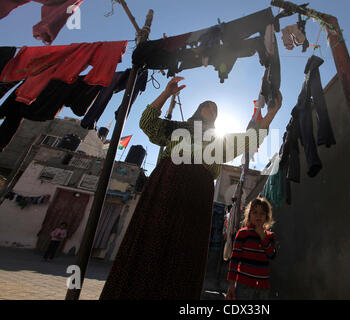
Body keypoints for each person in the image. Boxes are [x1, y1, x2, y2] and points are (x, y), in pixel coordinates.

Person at [100, 77, 282, 299]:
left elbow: (250, 139)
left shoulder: (220, 142)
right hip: (168, 183)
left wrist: (271, 114)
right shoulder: (178, 128)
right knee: (154, 236)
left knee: (186, 247)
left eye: (215, 109)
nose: (211, 109)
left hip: (198, 191)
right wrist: (167, 93)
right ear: (197, 109)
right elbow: (147, 123)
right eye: (207, 105)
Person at [226, 197, 277, 300]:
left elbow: (272, 255)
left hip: (262, 287)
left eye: (262, 213)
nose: (258, 216)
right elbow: (234, 260)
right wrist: (231, 284)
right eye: (255, 212)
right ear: (249, 215)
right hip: (244, 285)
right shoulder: (243, 234)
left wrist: (263, 237)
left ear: (266, 217)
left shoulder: (270, 236)